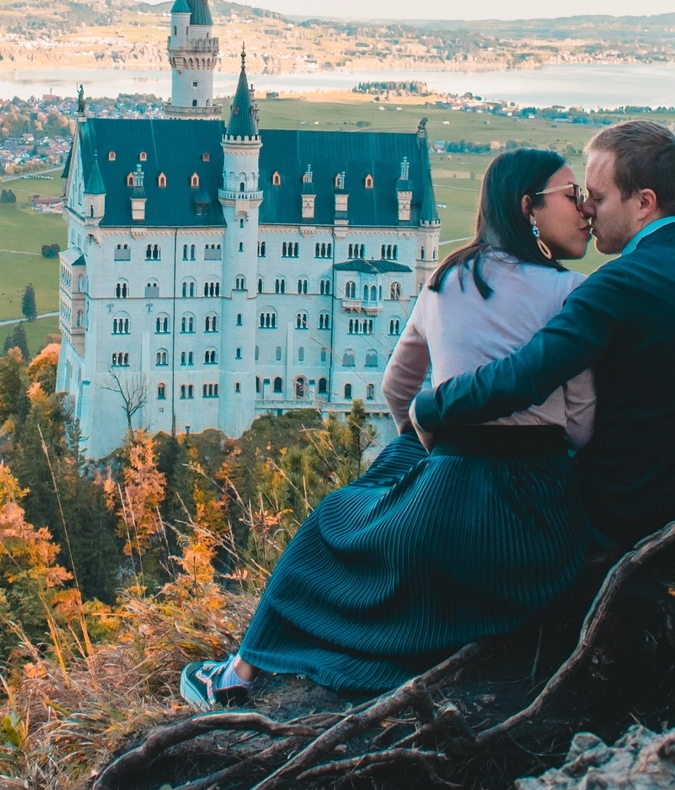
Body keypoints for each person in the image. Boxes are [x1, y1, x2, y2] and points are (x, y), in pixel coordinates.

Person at [180, 148, 595, 711]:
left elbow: (398, 389)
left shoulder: (446, 280)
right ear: (529, 209)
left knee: (329, 525)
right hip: (538, 530)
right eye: (572, 195)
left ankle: (237, 673)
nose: (585, 208)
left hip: (447, 504)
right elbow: (580, 423)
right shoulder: (571, 295)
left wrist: (433, 451)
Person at [411, 119, 675, 550]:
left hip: (628, 515)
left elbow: (525, 375)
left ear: (644, 202)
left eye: (598, 198)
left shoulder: (619, 286)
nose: (586, 209)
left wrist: (432, 406)